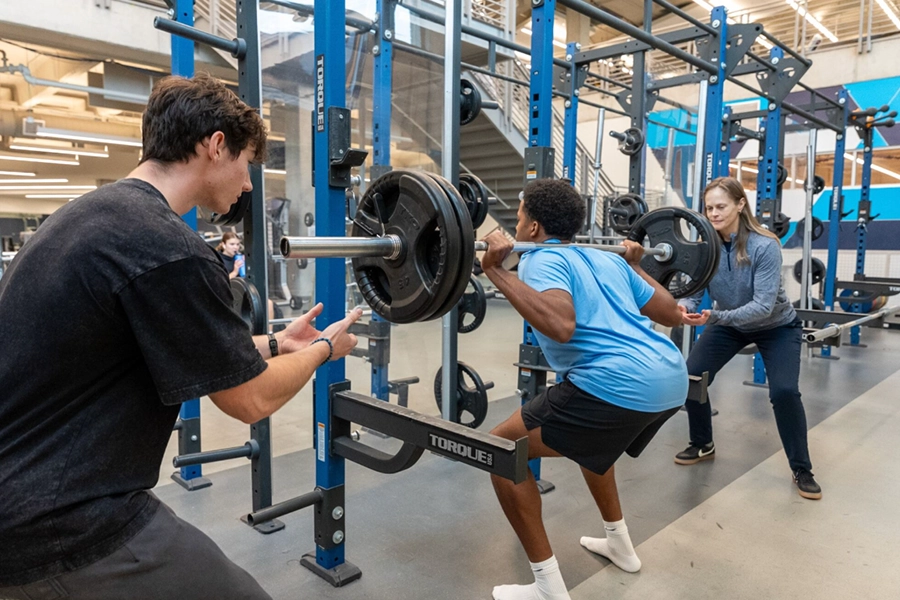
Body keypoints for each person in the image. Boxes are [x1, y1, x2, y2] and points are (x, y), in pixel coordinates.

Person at [0, 74, 361, 599]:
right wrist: (327, 349)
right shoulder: (169, 248)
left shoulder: (89, 219)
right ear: (216, 146)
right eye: (246, 165)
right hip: (64, 521)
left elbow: (173, 350)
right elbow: (250, 399)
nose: (247, 184)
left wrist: (282, 344)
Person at [480, 178, 688, 600]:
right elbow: (673, 312)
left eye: (519, 218)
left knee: (502, 450)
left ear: (535, 228)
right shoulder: (605, 259)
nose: (517, 227)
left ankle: (548, 589)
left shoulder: (539, 259)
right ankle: (620, 545)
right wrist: (634, 264)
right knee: (594, 445)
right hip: (670, 378)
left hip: (616, 384)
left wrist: (494, 271)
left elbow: (560, 325)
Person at [675, 176, 821, 501]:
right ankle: (703, 443)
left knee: (784, 392)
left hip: (776, 327)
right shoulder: (706, 247)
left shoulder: (765, 245)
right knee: (691, 377)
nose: (713, 213)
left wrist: (714, 317)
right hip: (729, 325)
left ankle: (802, 468)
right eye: (709, 207)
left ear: (740, 205)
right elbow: (693, 292)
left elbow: (762, 306)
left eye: (721, 206)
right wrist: (683, 308)